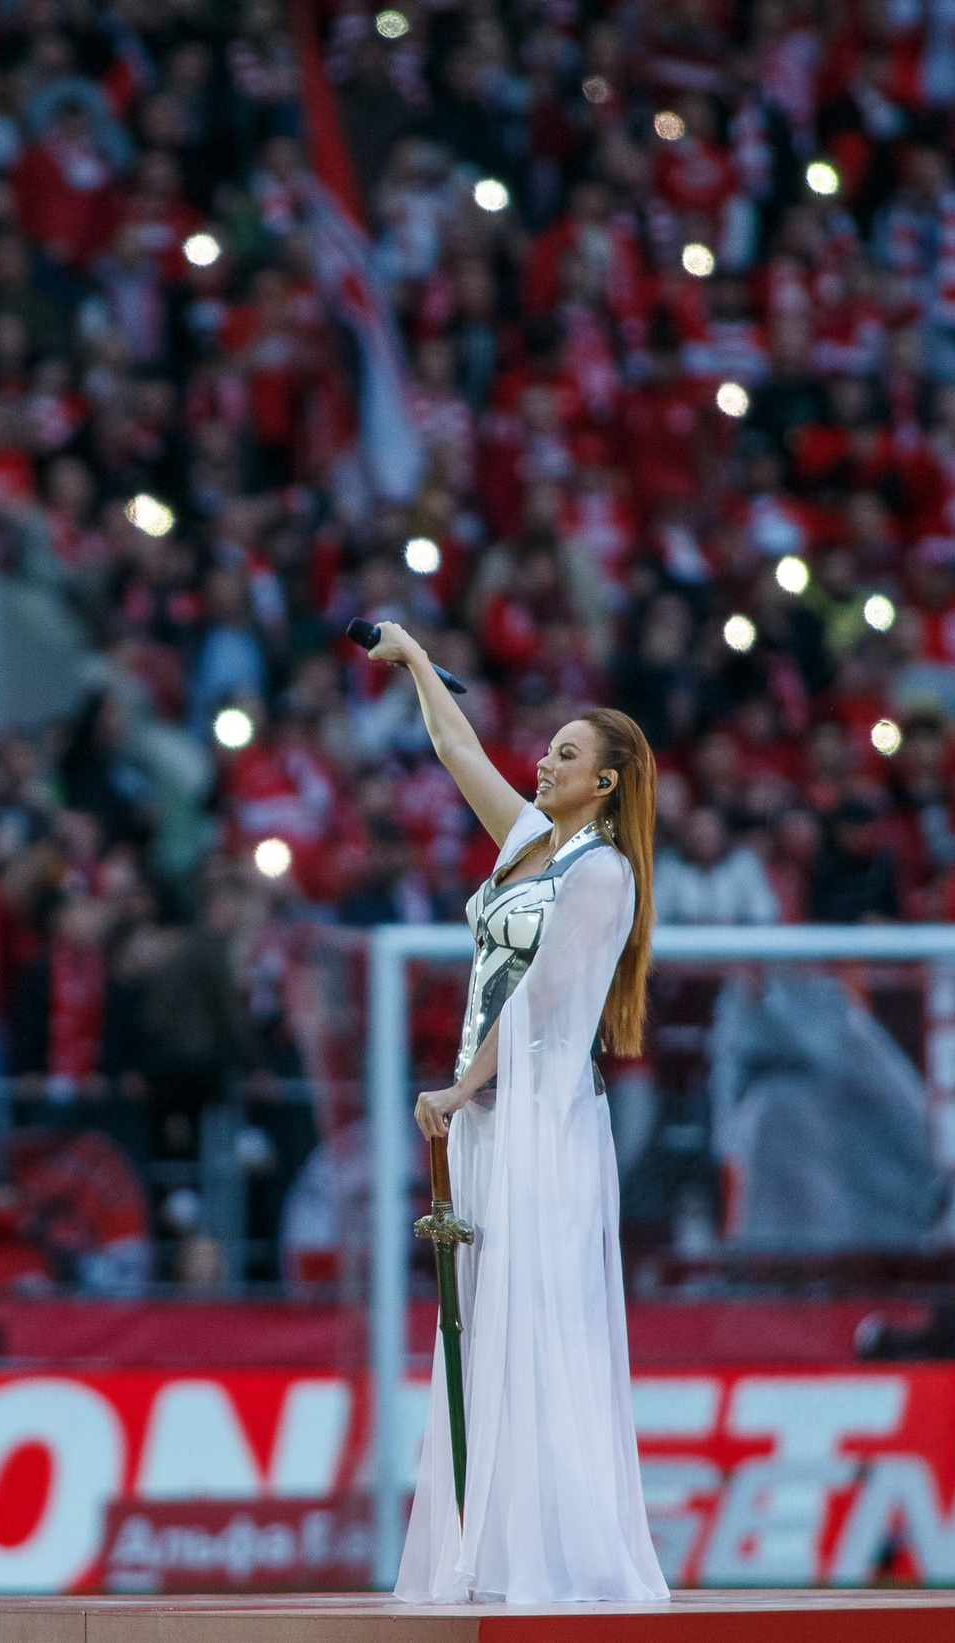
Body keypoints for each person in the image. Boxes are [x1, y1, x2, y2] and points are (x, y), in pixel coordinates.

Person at [367, 620, 669, 1605]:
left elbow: (536, 1002)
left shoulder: (601, 877)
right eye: (546, 749)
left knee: (537, 1331)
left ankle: (564, 1559)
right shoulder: (538, 842)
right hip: (494, 1116)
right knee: (488, 1332)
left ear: (609, 780)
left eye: (566, 754)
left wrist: (458, 1088)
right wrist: (414, 657)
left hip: (541, 1123)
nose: (542, 762)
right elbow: (457, 747)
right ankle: (491, 1555)